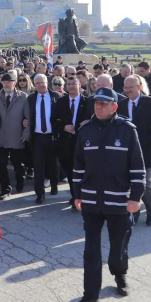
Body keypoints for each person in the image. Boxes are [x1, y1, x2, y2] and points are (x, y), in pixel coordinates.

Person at [70, 87, 144, 302]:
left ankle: (120, 272)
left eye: (104, 103)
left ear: (114, 106)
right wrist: (77, 194)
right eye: (96, 103)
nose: (98, 106)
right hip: (92, 200)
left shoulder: (127, 131)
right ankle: (90, 297)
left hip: (119, 200)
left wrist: (135, 197)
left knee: (117, 246)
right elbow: (78, 165)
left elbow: (137, 166)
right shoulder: (86, 131)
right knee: (91, 251)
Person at [117, 75, 151, 226]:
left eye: (130, 87)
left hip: (146, 150)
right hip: (127, 151)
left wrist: (149, 142)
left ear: (139, 87)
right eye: (125, 88)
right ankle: (135, 211)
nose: (127, 90)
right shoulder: (122, 104)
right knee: (131, 183)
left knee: (145, 183)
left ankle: (150, 211)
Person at [24, 74, 63, 203]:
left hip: (52, 136)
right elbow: (26, 115)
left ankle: (54, 184)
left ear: (48, 83)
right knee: (38, 166)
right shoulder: (30, 99)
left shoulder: (56, 97)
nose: (41, 85)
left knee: (53, 164)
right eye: (38, 83)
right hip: (37, 137)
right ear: (35, 85)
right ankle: (40, 193)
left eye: (43, 82)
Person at [52, 76, 90, 208]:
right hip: (65, 142)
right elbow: (53, 120)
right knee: (69, 170)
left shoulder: (88, 102)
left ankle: (83, 196)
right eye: (69, 84)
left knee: (83, 170)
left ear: (80, 85)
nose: (72, 86)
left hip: (83, 142)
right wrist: (63, 127)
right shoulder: (61, 102)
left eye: (74, 83)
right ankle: (75, 196)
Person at [0, 72, 28, 199]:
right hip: (1, 136)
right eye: (4, 82)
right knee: (1, 164)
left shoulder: (23, 97)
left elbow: (28, 117)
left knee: (18, 164)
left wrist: (26, 133)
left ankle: (20, 181)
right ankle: (5, 189)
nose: (6, 84)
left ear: (15, 83)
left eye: (9, 82)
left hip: (17, 135)